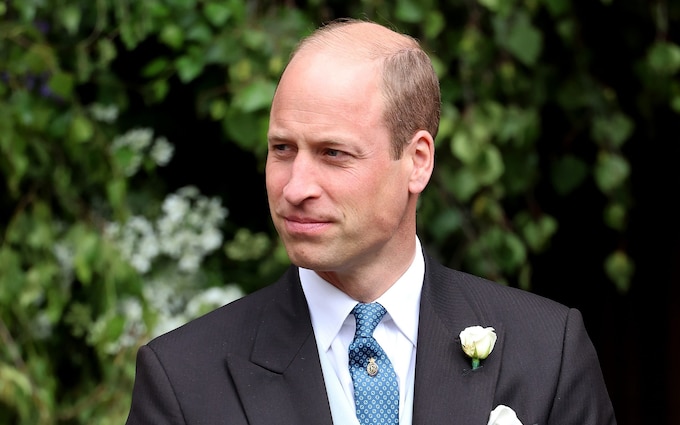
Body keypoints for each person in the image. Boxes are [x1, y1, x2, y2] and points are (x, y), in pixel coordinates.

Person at [125, 18, 617, 425]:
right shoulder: (183, 379)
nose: (295, 188)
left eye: (333, 153)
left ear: (417, 162)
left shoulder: (546, 352)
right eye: (282, 149)